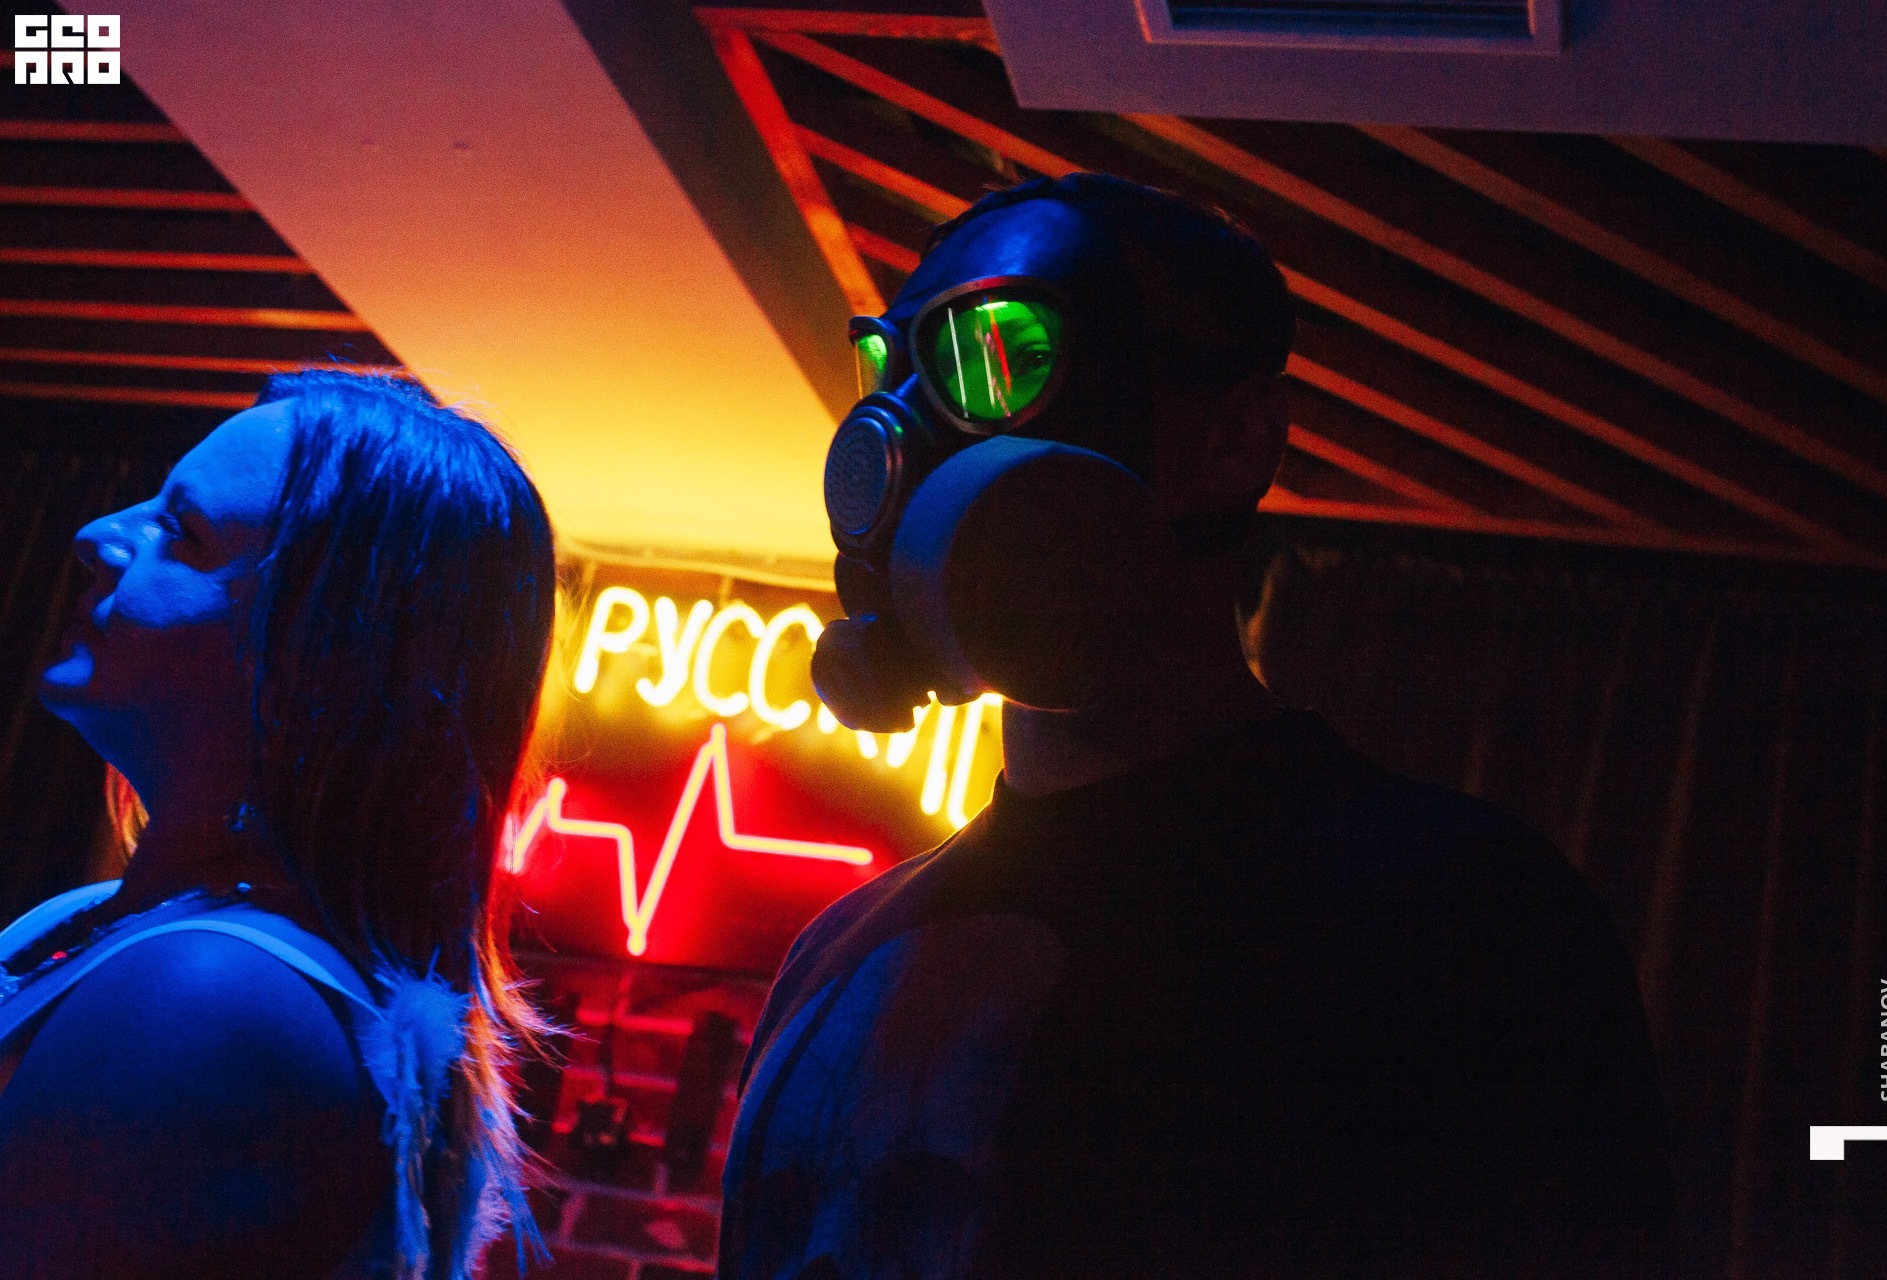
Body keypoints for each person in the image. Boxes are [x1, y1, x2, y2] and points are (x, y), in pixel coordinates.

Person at [719, 175, 1676, 1279]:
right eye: (889, 373)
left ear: (1234, 440)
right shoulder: (835, 956)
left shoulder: (1467, 918)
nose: (914, 439)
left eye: (1004, 357)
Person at [1, 370, 555, 1278]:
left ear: (317, 657)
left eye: (180, 531)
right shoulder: (106, 923)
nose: (98, 535)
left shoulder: (210, 994)